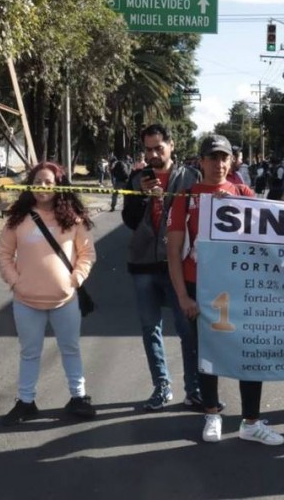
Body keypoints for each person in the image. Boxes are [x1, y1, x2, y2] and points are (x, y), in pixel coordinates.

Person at [167, 134, 284, 445]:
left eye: (224, 158)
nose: (218, 164)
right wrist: (182, 296)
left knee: (251, 352)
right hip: (200, 288)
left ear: (232, 161)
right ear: (201, 161)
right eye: (212, 158)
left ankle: (251, 421)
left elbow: (270, 237)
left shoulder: (243, 193)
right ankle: (212, 413)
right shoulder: (186, 197)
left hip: (240, 288)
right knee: (208, 354)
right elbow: (174, 250)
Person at [0, 162, 97, 425]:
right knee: (29, 352)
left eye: (49, 182)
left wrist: (76, 279)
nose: (43, 187)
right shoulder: (17, 219)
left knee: (71, 349)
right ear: (30, 184)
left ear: (58, 186)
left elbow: (87, 253)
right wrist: (15, 282)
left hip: (65, 300)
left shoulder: (72, 218)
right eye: (38, 181)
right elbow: (3, 254)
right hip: (26, 301)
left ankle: (78, 397)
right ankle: (26, 402)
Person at [122, 124, 203, 412]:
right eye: (148, 149)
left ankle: (193, 390)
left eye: (159, 147)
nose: (154, 154)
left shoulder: (191, 178)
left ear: (171, 145)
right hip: (143, 264)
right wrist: (143, 196)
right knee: (150, 328)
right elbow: (130, 221)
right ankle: (162, 387)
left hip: (179, 266)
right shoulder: (136, 179)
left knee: (187, 329)